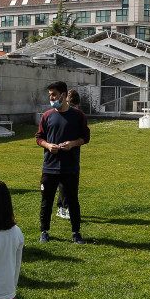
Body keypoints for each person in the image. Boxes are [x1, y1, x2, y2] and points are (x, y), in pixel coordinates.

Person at [36, 81, 91, 244]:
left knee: (72, 201)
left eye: (54, 94)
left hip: (70, 167)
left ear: (64, 95)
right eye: (50, 95)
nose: (51, 98)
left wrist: (72, 144)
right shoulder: (47, 116)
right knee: (46, 201)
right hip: (49, 167)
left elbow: (86, 138)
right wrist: (47, 145)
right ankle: (44, 231)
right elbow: (39, 137)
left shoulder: (78, 116)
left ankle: (76, 233)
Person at [56, 88, 81, 220]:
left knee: (69, 183)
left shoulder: (76, 115)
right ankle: (62, 207)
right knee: (64, 183)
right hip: (64, 153)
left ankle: (65, 206)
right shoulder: (63, 114)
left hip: (73, 153)